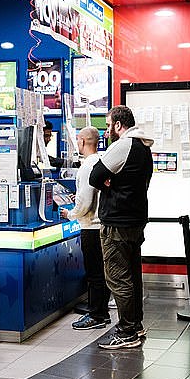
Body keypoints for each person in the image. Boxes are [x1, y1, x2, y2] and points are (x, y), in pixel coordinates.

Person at [89, 105, 153, 350]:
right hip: (135, 220)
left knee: (118, 277)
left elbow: (95, 176)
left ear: (118, 125)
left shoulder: (123, 145)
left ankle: (127, 331)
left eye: (108, 126)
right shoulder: (143, 147)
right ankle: (135, 325)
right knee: (133, 276)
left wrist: (109, 181)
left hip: (117, 222)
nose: (107, 131)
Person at [61, 126, 111, 330]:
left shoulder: (87, 166)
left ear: (82, 141)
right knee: (101, 272)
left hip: (91, 227)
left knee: (94, 273)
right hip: (100, 225)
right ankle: (102, 312)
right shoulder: (99, 162)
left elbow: (86, 202)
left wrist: (70, 214)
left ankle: (97, 315)